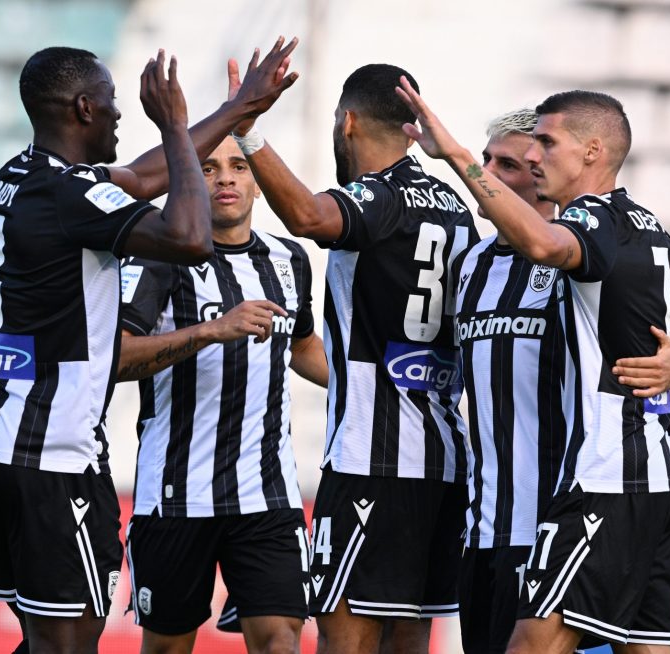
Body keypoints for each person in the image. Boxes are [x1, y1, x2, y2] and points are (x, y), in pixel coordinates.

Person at [0, 42, 299, 654]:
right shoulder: (71, 195)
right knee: (68, 643)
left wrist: (238, 109)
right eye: (112, 103)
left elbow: (143, 179)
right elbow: (189, 238)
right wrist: (172, 124)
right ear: (84, 109)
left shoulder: (22, 176)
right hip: (52, 455)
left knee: (43, 640)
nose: (120, 114)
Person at [399, 85, 670, 653]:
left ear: (591, 151)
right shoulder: (479, 263)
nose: (534, 158)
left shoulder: (588, 228)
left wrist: (454, 156)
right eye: (491, 159)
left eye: (537, 150)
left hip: (585, 489)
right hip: (518, 508)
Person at [228, 62, 477, 654]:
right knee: (409, 636)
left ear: (348, 121)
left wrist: (248, 130)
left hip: (371, 460)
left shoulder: (378, 196)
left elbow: (309, 217)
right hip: (444, 461)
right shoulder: (456, 206)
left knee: (346, 638)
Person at [117, 134, 328, 654]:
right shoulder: (158, 257)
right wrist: (211, 330)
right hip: (176, 494)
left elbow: (302, 345)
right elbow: (116, 357)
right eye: (208, 168)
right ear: (188, 180)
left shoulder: (289, 259)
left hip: (267, 492)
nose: (226, 178)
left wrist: (373, 387)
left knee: (281, 641)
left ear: (258, 183)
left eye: (239, 166)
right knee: (167, 648)